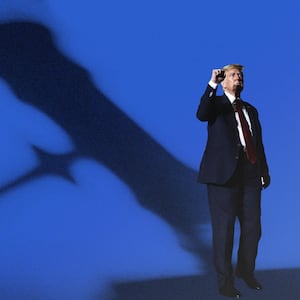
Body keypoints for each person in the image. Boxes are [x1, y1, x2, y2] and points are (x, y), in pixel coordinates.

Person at [196, 64, 270, 298]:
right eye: (233, 75)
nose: (239, 78)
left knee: (253, 229)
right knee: (224, 232)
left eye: (241, 75)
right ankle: (225, 283)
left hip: (249, 176)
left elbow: (258, 144)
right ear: (224, 80)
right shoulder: (215, 105)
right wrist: (212, 84)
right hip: (222, 178)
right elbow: (201, 114)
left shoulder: (251, 110)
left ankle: (245, 272)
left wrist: (263, 172)